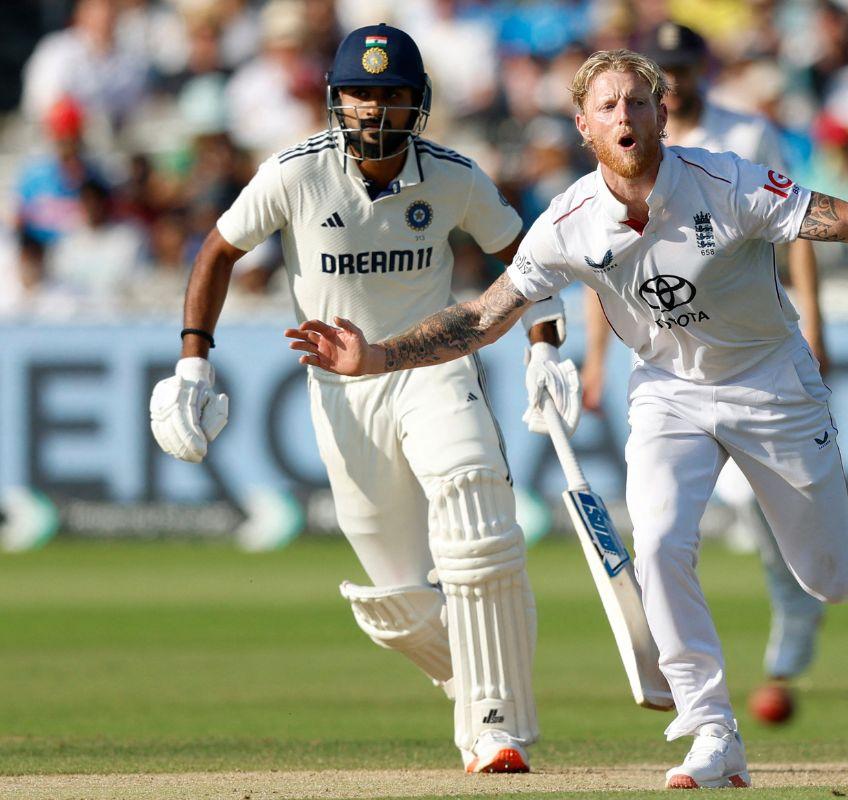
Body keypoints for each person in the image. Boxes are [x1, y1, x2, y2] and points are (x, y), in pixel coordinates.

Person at [286, 49, 848, 789]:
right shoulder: (568, 222)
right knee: (655, 544)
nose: (624, 115)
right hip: (667, 393)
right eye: (607, 106)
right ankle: (712, 731)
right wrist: (377, 358)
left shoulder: (726, 181)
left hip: (770, 383)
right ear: (584, 126)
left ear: (661, 113)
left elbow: (846, 221)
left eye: (637, 102)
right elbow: (481, 317)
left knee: (829, 577)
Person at [149, 24, 580, 774]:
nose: (373, 109)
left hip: (433, 368)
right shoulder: (295, 173)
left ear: (418, 103)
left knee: (475, 509)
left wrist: (545, 343)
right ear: (335, 99)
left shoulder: (452, 176)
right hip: (343, 393)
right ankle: (483, 686)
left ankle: (494, 728)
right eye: (358, 93)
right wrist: (193, 364)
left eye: (390, 94)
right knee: (397, 603)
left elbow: (526, 258)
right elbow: (218, 250)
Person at [577, 22, 827, 723]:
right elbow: (600, 266)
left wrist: (814, 320)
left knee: (763, 506)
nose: (676, 78)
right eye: (666, 67)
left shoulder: (745, 134)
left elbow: (797, 227)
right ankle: (704, 700)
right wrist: (595, 359)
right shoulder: (621, 147)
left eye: (684, 65)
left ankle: (796, 601)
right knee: (662, 531)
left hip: (749, 349)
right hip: (666, 359)